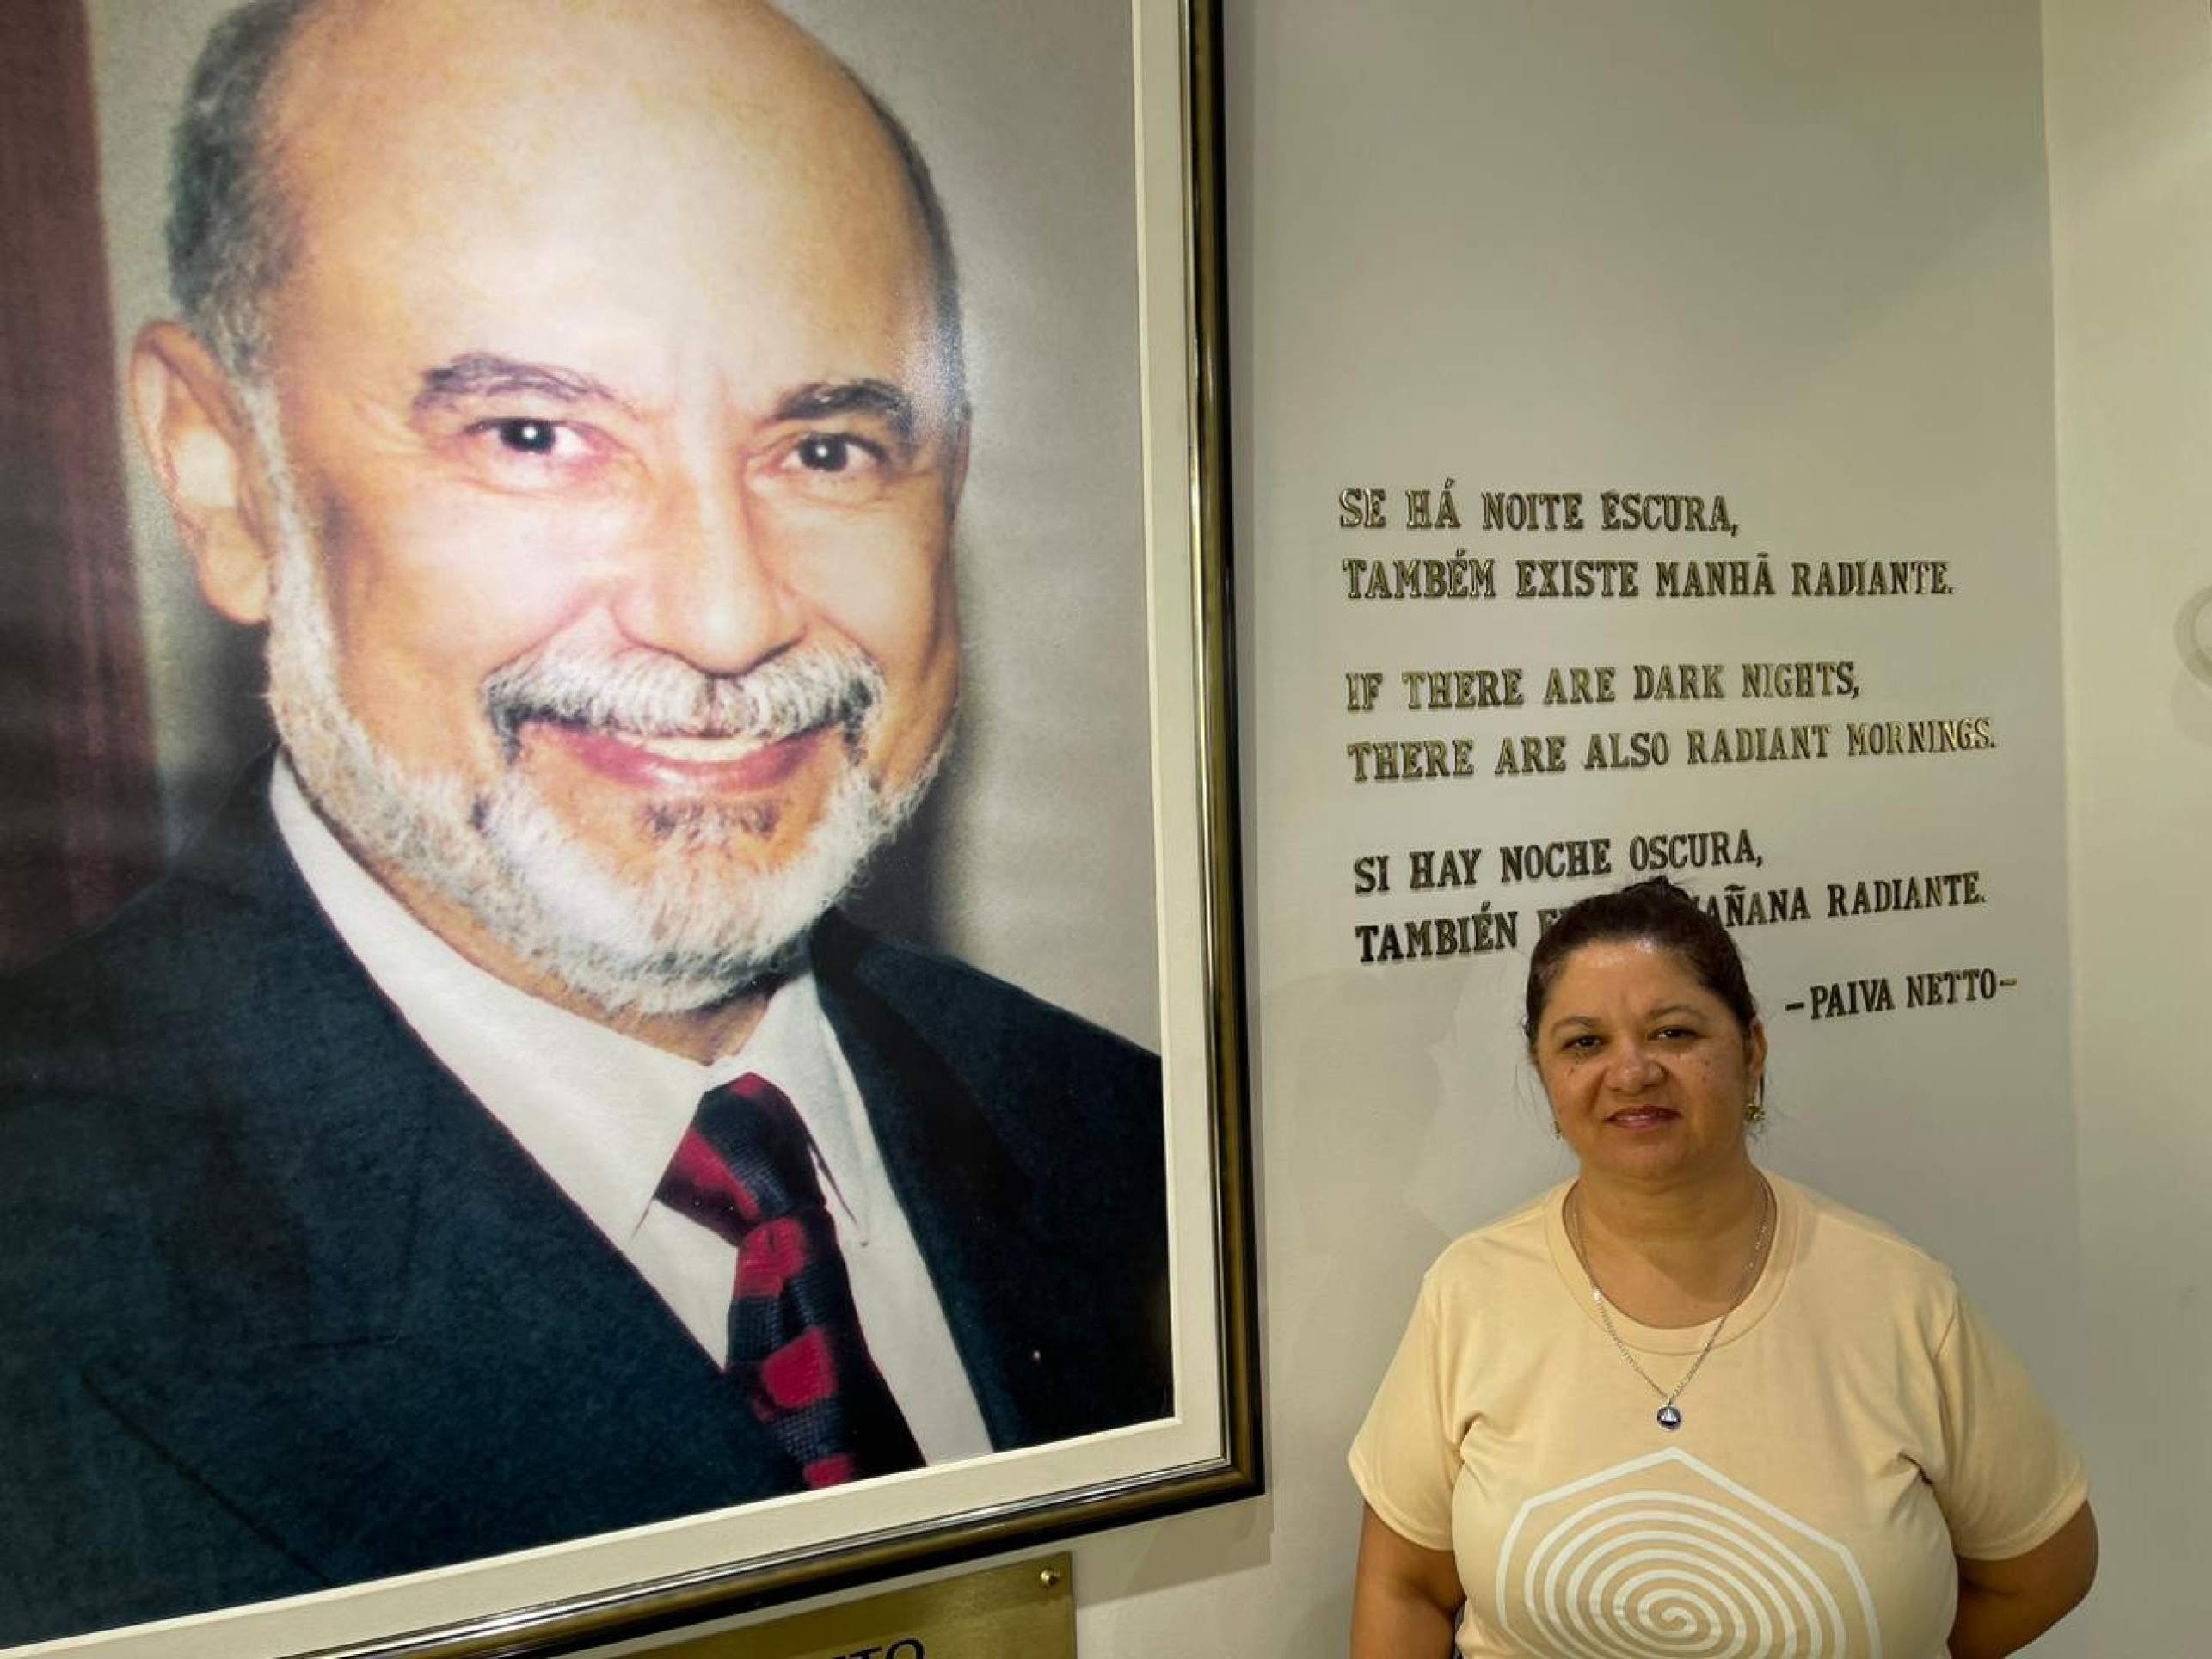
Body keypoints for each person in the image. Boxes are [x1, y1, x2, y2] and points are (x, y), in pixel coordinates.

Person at [0, 0, 1166, 1643]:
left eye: (824, 445)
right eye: (536, 434)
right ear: (223, 476)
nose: (721, 612)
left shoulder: (1118, 1137)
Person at [1349, 878, 2095, 1658]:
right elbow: (1405, 1586)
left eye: (1673, 1033)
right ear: (1545, 1075)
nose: (1631, 1072)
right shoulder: (1471, 1290)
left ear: (1753, 1049)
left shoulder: (1903, 1299)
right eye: (1584, 1042)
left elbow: (2044, 1566)